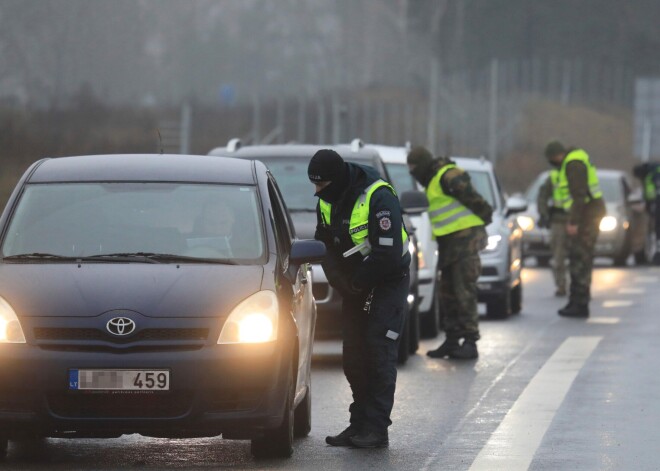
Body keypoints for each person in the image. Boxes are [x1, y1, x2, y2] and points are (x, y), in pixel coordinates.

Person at [309, 149, 410, 449]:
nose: (317, 192)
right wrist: (343, 284)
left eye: (321, 185)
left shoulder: (379, 196)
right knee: (354, 358)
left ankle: (377, 428)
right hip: (354, 285)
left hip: (388, 280)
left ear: (337, 180)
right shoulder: (327, 201)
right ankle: (359, 423)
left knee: (378, 352)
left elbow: (388, 254)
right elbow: (323, 246)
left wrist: (356, 282)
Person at [407, 146, 493, 360]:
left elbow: (476, 201)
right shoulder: (432, 181)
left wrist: (483, 221)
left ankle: (470, 342)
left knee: (464, 291)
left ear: (423, 164)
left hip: (465, 241)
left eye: (414, 168)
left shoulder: (448, 174)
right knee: (447, 293)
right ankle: (453, 340)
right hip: (448, 243)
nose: (413, 174)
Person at [544, 141, 606, 317]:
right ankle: (576, 300)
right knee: (577, 258)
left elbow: (579, 196)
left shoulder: (573, 164)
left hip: (587, 217)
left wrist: (574, 222)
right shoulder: (573, 161)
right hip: (588, 215)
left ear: (557, 155)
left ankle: (580, 303)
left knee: (580, 260)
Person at [537, 168, 570, 296]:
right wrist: (544, 214)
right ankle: (561, 285)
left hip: (577, 220)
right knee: (558, 256)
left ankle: (580, 286)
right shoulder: (555, 176)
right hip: (558, 221)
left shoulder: (579, 174)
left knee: (579, 257)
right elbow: (542, 196)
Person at [632, 162, 660, 265]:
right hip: (655, 205)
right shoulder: (652, 173)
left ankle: (658, 256)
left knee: (657, 231)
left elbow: (652, 194)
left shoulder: (652, 176)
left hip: (657, 206)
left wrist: (650, 207)